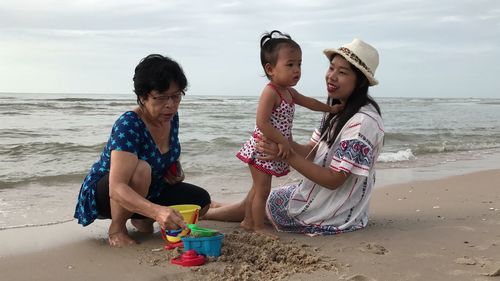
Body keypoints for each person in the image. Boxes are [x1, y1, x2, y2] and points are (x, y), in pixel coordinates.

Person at [206, 38, 384, 236]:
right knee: (263, 194)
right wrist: (284, 141)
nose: (331, 77)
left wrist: (285, 153)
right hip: (317, 193)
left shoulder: (362, 121)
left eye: (341, 72)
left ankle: (210, 213)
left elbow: (334, 180)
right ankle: (216, 209)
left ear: (360, 82)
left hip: (334, 209)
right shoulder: (338, 110)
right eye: (331, 68)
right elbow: (311, 151)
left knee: (264, 197)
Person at [74, 54, 211, 247]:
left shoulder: (170, 117)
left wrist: (174, 171)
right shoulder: (129, 124)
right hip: (107, 193)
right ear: (142, 97)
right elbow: (117, 187)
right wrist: (158, 211)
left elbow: (167, 152)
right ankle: (117, 229)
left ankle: (141, 218)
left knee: (200, 201)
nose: (170, 104)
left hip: (150, 188)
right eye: (161, 97)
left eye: (176, 96)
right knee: (141, 170)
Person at [235, 30, 343, 236]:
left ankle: (249, 221)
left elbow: (310, 103)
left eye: (299, 64)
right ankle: (257, 227)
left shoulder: (289, 91)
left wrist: (331, 109)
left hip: (272, 146)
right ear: (270, 69)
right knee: (262, 190)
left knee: (257, 189)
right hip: (262, 148)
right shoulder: (271, 92)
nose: (297, 70)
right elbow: (262, 122)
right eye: (290, 64)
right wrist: (283, 142)